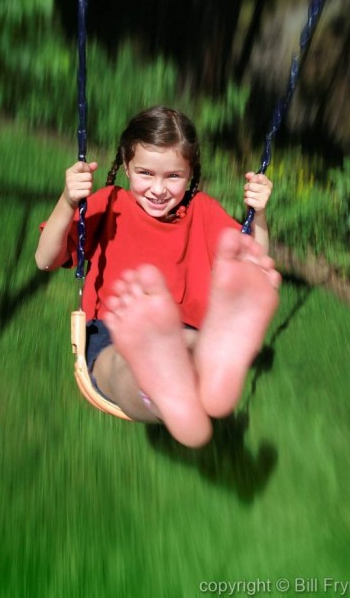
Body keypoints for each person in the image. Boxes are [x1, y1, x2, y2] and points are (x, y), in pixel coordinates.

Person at [36, 106, 280, 448]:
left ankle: (190, 370)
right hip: (116, 329)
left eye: (173, 176)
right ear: (125, 164)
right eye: (146, 174)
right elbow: (46, 258)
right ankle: (180, 376)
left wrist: (260, 218)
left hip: (177, 332)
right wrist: (67, 201)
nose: (158, 189)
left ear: (190, 171)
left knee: (158, 357)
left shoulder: (203, 211)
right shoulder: (109, 203)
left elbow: (252, 265)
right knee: (125, 365)